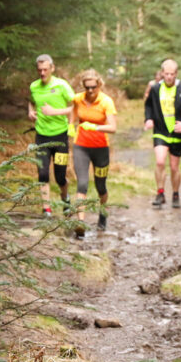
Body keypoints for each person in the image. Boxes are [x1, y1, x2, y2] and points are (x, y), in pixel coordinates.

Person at [45, 69, 117, 238]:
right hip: (81, 146)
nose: (90, 91)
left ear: (99, 85)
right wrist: (69, 122)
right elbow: (71, 108)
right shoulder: (79, 98)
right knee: (82, 184)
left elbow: (113, 127)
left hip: (101, 149)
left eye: (93, 87)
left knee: (101, 186)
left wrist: (96, 127)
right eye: (87, 87)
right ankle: (81, 224)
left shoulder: (106, 102)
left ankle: (103, 214)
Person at [144, 59, 181, 209]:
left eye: (172, 74)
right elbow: (148, 106)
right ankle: (160, 193)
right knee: (160, 161)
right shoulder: (155, 89)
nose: (169, 77)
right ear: (162, 73)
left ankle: (175, 193)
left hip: (177, 132)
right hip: (160, 130)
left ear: (176, 74)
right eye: (166, 74)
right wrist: (148, 119)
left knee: (174, 167)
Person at [28, 54, 75, 217]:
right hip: (41, 136)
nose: (42, 73)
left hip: (60, 137)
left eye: (45, 69)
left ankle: (66, 199)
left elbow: (75, 106)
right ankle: (46, 209)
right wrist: (30, 111)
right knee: (42, 174)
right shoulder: (34, 86)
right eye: (39, 70)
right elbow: (31, 100)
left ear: (52, 68)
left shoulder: (62, 85)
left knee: (60, 176)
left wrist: (55, 112)